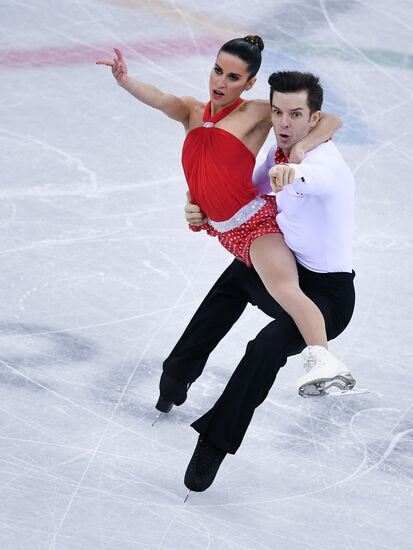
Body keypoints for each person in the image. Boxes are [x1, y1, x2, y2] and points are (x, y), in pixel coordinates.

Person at [96, 37, 350, 409]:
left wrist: (299, 149)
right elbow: (157, 96)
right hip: (222, 228)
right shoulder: (191, 111)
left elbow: (330, 118)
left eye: (233, 77)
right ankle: (175, 381)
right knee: (233, 295)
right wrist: (125, 80)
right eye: (218, 70)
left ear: (248, 84)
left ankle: (324, 362)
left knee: (286, 291)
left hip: (254, 225)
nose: (221, 82)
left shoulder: (254, 113)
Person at [168, 71, 356, 493]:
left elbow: (315, 179)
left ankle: (213, 444)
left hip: (327, 299)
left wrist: (295, 173)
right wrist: (194, 205)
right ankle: (177, 374)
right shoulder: (277, 153)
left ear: (313, 118)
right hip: (289, 269)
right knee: (235, 278)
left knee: (266, 346)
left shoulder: (327, 168)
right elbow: (240, 190)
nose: (284, 123)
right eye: (277, 112)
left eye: (296, 114)